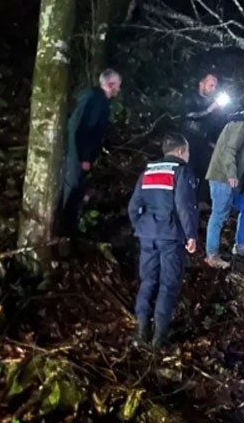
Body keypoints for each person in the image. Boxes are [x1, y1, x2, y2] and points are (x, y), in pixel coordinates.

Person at [127, 133, 199, 349]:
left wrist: (141, 225)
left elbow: (133, 206)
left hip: (147, 234)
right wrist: (191, 235)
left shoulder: (148, 171)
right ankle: (159, 337)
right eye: (187, 152)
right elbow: (184, 206)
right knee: (168, 284)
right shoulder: (181, 171)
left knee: (148, 281)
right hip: (170, 235)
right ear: (179, 151)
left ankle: (141, 331)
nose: (188, 156)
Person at [204, 101, 244, 267]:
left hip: (230, 182)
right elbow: (229, 150)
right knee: (218, 216)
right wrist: (232, 174)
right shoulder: (241, 125)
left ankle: (241, 246)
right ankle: (212, 255)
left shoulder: (243, 126)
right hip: (222, 179)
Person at [60, 68, 122, 236]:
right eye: (117, 85)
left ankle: (68, 228)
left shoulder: (93, 97)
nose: (119, 89)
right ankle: (64, 230)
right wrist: (85, 157)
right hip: (77, 153)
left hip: (76, 151)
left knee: (75, 187)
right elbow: (87, 128)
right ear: (110, 85)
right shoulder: (97, 101)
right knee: (73, 188)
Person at [181, 73, 230, 200]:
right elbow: (189, 115)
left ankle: (202, 201)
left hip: (205, 142)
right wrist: (209, 110)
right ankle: (185, 198)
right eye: (211, 85)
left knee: (207, 171)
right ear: (201, 84)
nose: (213, 89)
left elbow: (217, 125)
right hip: (190, 140)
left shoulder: (214, 102)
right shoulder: (190, 97)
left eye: (215, 86)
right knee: (189, 170)